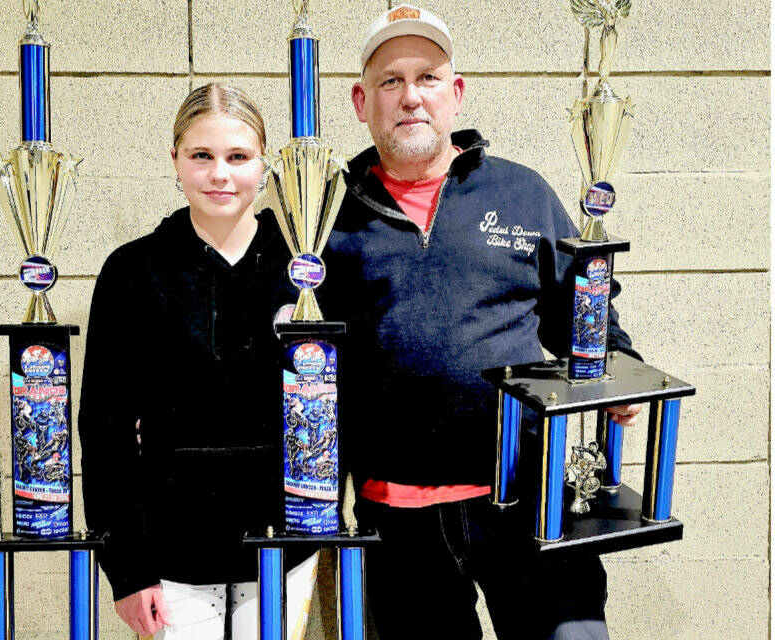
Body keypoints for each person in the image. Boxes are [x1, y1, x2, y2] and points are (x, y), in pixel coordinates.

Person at [321, 6, 643, 640]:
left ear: (456, 93)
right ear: (362, 101)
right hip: (399, 523)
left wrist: (619, 371)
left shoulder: (521, 192)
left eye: (428, 77)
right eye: (390, 81)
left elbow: (585, 311)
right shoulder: (323, 213)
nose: (410, 96)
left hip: (529, 503)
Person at [78, 83, 317, 640]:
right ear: (176, 161)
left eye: (238, 157)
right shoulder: (133, 271)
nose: (220, 174)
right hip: (170, 554)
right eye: (201, 156)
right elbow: (105, 428)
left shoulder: (304, 270)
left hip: (283, 543)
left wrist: (318, 525)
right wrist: (127, 569)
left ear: (265, 163)